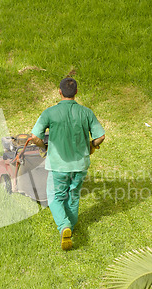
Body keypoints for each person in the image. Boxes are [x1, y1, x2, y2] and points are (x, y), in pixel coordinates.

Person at [31, 77, 105, 250]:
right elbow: (100, 136)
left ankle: (64, 226)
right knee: (73, 195)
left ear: (59, 91)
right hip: (80, 165)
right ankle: (70, 227)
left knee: (55, 196)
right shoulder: (86, 112)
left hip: (58, 165)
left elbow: (35, 137)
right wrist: (91, 146)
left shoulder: (49, 112)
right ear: (76, 92)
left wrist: (45, 146)